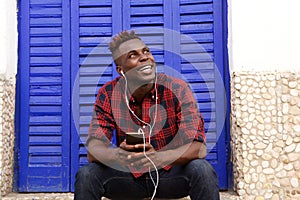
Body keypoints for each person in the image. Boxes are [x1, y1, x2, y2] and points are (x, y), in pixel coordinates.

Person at [74, 30, 220, 200]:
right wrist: (117, 156)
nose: (144, 57)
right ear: (121, 70)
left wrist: (160, 158)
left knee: (202, 170)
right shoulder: (109, 93)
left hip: (169, 175)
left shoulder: (178, 89)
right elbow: (94, 150)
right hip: (128, 176)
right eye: (132, 55)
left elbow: (198, 148)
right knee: (87, 174)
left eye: (146, 51)